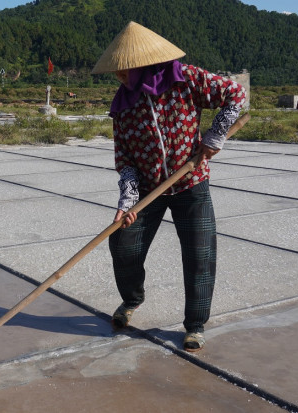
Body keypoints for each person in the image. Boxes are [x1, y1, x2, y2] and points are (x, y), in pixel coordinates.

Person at [91, 22, 246, 352]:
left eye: (124, 69)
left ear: (143, 62)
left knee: (200, 255)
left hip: (191, 183)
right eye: (117, 70)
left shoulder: (185, 79)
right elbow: (126, 158)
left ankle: (195, 325)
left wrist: (216, 134)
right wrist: (128, 198)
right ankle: (132, 300)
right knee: (123, 243)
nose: (119, 75)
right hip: (148, 190)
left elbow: (235, 94)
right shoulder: (124, 105)